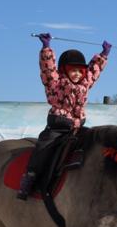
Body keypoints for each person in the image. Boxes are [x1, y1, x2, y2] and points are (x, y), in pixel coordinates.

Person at [18, 33, 110, 200]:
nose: (77, 74)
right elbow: (47, 69)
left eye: (80, 71)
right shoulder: (55, 83)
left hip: (77, 127)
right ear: (64, 70)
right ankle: (30, 177)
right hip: (58, 126)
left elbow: (94, 71)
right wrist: (46, 48)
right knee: (43, 147)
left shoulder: (85, 83)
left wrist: (103, 55)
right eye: (73, 70)